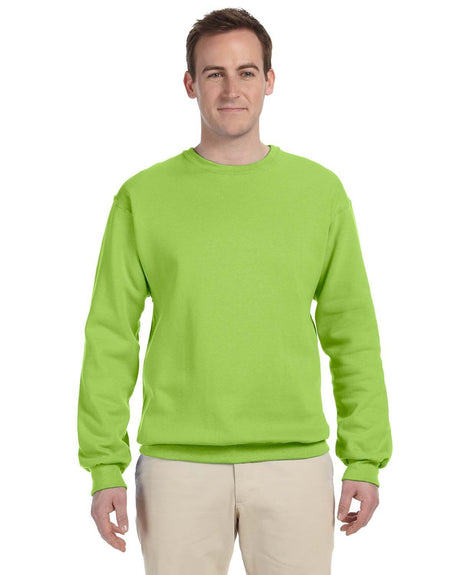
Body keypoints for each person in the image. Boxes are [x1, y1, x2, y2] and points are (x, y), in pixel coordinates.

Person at [77, 7, 393, 574]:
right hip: (176, 466)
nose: (231, 89)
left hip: (294, 462)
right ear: (190, 83)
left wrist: (365, 459)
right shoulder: (142, 197)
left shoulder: (320, 193)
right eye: (214, 73)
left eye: (246, 72)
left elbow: (352, 332)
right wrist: (104, 468)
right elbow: (110, 335)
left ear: (269, 81)